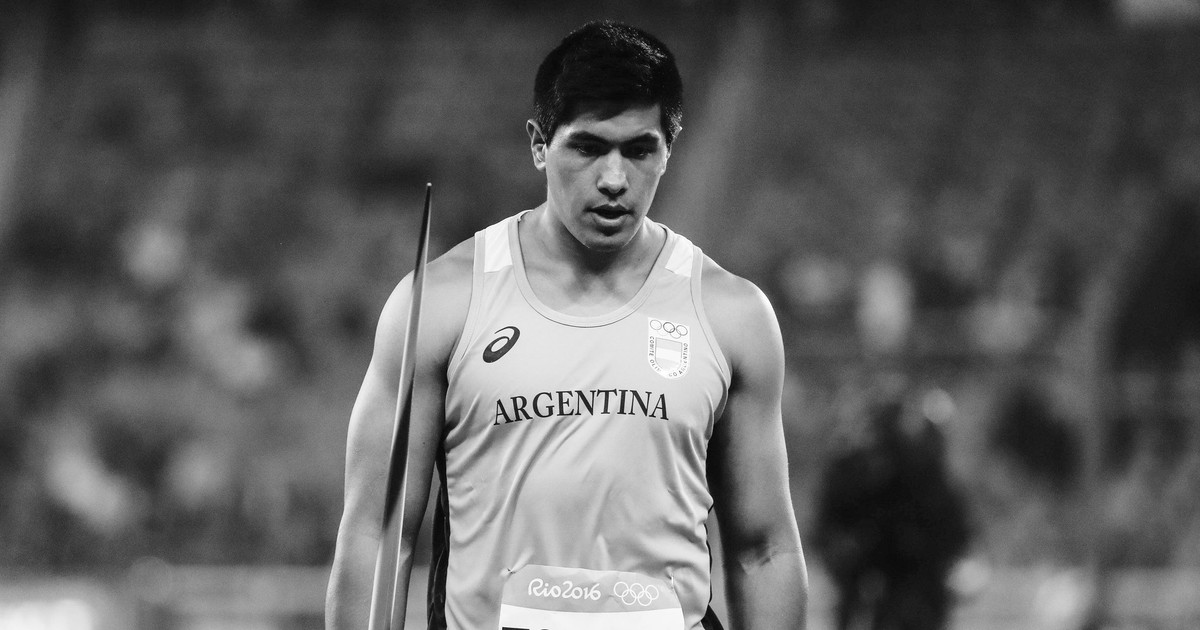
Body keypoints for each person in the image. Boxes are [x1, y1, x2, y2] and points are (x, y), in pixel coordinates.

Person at [326, 20, 807, 630]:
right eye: (587, 147)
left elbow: (764, 550)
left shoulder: (731, 314)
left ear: (669, 150)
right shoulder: (443, 303)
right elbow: (377, 532)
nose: (614, 179)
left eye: (639, 150)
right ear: (538, 144)